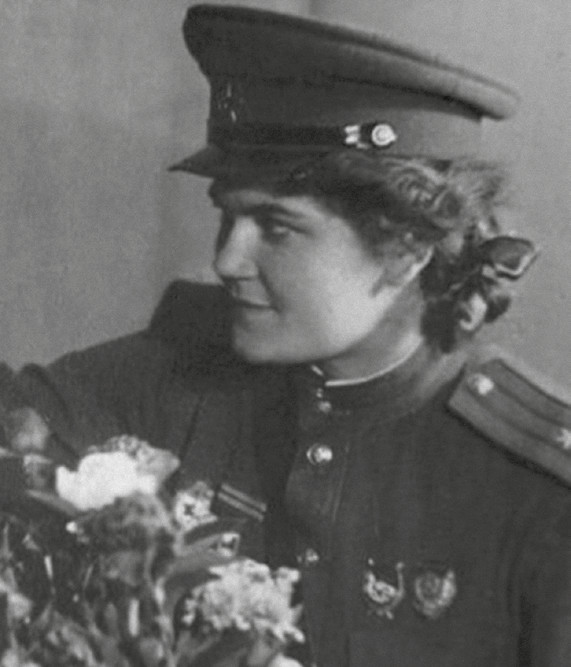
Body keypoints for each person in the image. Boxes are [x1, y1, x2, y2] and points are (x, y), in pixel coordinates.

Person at [3, 5, 571, 666]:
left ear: (407, 248)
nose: (226, 259)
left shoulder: (532, 493)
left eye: (276, 227)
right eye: (228, 217)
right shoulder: (166, 376)